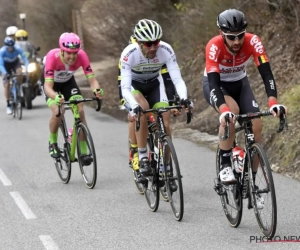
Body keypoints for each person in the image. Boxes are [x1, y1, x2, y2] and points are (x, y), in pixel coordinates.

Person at [202, 9, 287, 188]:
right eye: (231, 37)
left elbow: (267, 74)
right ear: (221, 34)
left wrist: (273, 102)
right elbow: (214, 84)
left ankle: (251, 181)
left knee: (257, 124)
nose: (237, 41)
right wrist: (223, 110)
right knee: (232, 112)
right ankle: (225, 164)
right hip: (217, 85)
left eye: (240, 36)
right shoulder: (214, 46)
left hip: (240, 83)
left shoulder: (253, 41)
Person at [119, 19, 193, 191]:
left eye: (156, 42)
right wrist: (132, 105)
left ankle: (166, 167)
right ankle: (142, 155)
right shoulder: (129, 54)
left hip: (154, 84)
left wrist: (183, 98)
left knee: (165, 123)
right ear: (139, 42)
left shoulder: (165, 50)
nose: (153, 47)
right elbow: (124, 88)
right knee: (142, 110)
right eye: (149, 43)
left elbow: (177, 79)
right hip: (135, 86)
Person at [118, 34, 178, 172]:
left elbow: (167, 79)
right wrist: (129, 106)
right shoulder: (128, 57)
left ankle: (167, 165)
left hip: (153, 87)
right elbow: (121, 87)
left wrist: (172, 101)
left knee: (165, 120)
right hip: (134, 88)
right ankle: (136, 151)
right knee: (139, 112)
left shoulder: (157, 57)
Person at [41, 32, 104, 164]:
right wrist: (55, 96)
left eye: (75, 53)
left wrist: (97, 91)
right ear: (62, 51)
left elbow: (92, 80)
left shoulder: (82, 56)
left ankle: (83, 152)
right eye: (68, 53)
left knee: (80, 109)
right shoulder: (53, 56)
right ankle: (52, 142)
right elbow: (48, 86)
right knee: (59, 110)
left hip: (68, 82)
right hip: (51, 84)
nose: (72, 56)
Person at [0, 37, 29, 114]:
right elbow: (1, 65)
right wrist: (5, 73)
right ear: (6, 46)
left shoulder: (18, 48)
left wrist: (27, 68)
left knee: (20, 73)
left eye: (12, 47)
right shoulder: (2, 51)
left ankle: (19, 91)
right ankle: (8, 105)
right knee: (7, 85)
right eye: (9, 47)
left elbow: (24, 58)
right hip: (5, 66)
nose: (11, 49)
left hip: (15, 64)